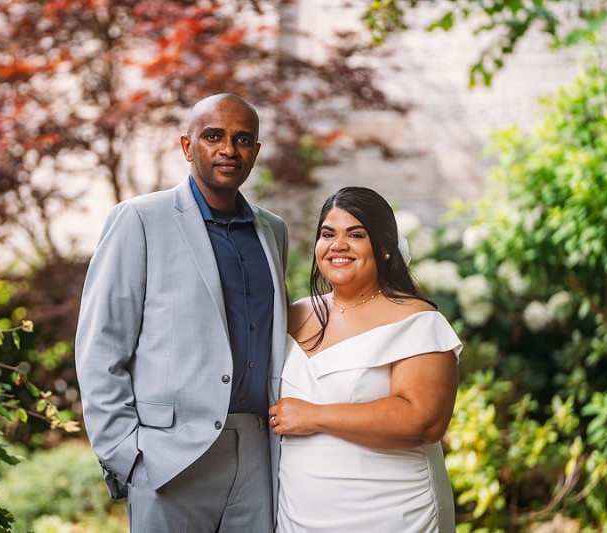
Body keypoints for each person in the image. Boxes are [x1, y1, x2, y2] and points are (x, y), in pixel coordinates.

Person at [75, 93, 288, 532]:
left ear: (256, 152)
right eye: (214, 136)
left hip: (259, 452)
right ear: (188, 147)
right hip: (169, 456)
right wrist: (127, 456)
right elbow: (101, 346)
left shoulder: (274, 231)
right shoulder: (139, 219)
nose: (229, 150)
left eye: (243, 139)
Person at [268, 186, 461, 532]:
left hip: (392, 512)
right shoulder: (294, 314)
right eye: (328, 234)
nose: (338, 245)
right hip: (299, 513)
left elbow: (424, 421)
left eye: (355, 234)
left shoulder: (416, 321)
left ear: (385, 248)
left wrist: (315, 416)